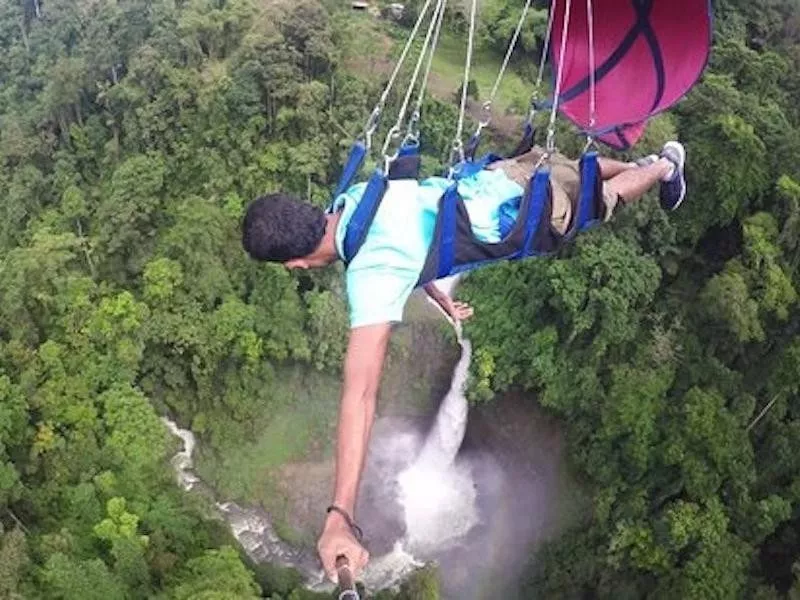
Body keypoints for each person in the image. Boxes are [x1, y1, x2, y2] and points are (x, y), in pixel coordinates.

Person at [241, 140, 687, 581]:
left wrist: (340, 514)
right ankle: (639, 161)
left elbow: (359, 397)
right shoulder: (355, 197)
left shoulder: (371, 279)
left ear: (294, 264)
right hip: (511, 174)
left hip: (532, 213)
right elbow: (412, 241)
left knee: (600, 200)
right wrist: (440, 298)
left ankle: (664, 167)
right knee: (574, 170)